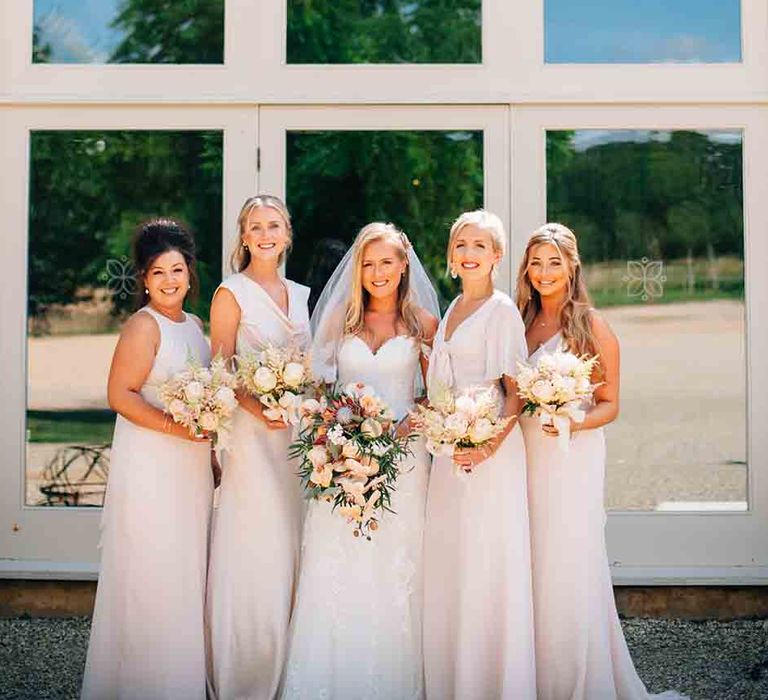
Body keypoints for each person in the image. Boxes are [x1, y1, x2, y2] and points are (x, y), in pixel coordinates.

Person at [281, 222, 439, 699]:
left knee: (395, 567)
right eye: (368, 264)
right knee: (338, 566)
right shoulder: (339, 323)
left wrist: (397, 430)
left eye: (386, 262)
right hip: (340, 465)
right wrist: (336, 435)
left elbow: (437, 398)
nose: (377, 272)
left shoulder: (423, 326)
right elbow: (317, 390)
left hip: (403, 465)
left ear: (403, 264)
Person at [81, 219, 213, 699]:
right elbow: (120, 394)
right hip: (152, 468)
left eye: (176, 270)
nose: (169, 281)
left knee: (183, 576)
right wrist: (179, 429)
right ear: (143, 278)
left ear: (189, 272)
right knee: (152, 576)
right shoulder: (143, 326)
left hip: (191, 472)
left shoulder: (196, 327)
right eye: (158, 273)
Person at [423, 210, 536, 699]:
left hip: (491, 453)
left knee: (487, 560)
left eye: (479, 246)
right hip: (451, 452)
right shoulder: (451, 310)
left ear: (497, 255)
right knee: (455, 561)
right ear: (451, 255)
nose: (468, 253)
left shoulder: (501, 310)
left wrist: (488, 445)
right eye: (461, 245)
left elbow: (516, 391)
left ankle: (495, 683)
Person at [205, 195, 311, 700]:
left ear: (287, 233)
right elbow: (220, 369)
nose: (265, 234)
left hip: (294, 437)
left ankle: (289, 664)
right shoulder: (232, 293)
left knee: (293, 536)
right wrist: (257, 406)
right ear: (243, 237)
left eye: (274, 225)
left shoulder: (302, 293)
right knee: (255, 542)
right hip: (251, 436)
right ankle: (245, 672)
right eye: (255, 226)